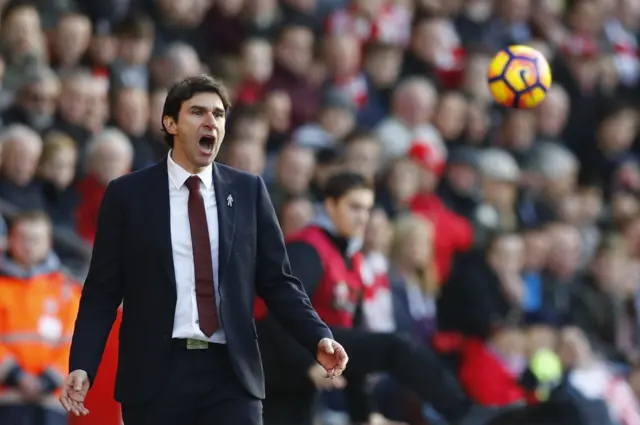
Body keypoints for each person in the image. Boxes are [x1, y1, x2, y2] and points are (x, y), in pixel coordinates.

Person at [59, 75, 348, 425]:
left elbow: (277, 280)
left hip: (231, 373)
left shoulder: (249, 191)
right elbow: (102, 291)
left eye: (219, 114)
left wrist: (317, 336)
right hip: (156, 377)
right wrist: (83, 363)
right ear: (171, 123)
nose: (211, 121)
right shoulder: (127, 194)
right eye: (197, 112)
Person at [255, 171, 517, 425]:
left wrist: (365, 414)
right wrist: (306, 366)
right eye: (354, 207)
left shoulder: (350, 258)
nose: (363, 218)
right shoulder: (307, 249)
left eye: (367, 210)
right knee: (396, 346)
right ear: (330, 205)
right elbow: (279, 314)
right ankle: (464, 414)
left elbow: (354, 343)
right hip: (278, 359)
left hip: (304, 366)